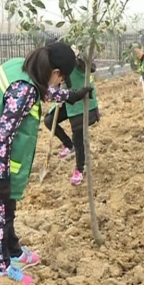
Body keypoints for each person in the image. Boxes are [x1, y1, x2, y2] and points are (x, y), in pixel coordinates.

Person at [0, 42, 93, 284]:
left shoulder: (22, 67)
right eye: (62, 80)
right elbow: (3, 137)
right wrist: (2, 179)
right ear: (56, 73)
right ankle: (3, 268)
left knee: (8, 210)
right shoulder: (24, 92)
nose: (60, 84)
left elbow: (42, 89)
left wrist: (70, 96)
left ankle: (13, 250)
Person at [44, 42, 100, 186]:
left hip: (84, 100)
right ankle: (69, 145)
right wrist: (58, 94)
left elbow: (91, 67)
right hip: (67, 98)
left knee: (78, 133)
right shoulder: (54, 66)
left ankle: (80, 169)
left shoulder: (77, 60)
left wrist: (78, 56)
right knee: (49, 120)